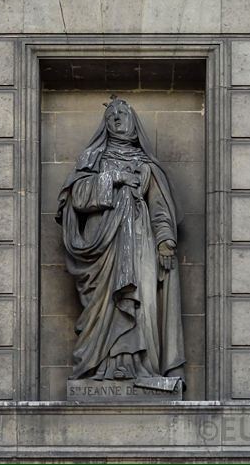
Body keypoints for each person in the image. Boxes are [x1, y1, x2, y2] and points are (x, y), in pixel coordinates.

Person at [56, 95, 185, 384]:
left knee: (143, 304)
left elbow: (160, 208)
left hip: (140, 243)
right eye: (111, 113)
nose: (116, 117)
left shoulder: (146, 165)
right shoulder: (92, 158)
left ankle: (142, 368)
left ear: (132, 121)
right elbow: (76, 198)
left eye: (122, 112)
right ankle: (103, 367)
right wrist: (113, 177)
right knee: (107, 306)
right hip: (104, 246)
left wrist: (165, 241)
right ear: (106, 123)